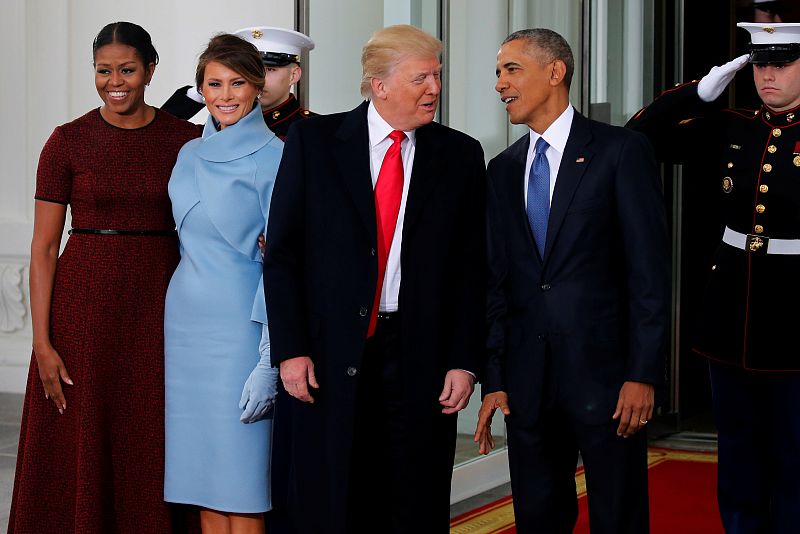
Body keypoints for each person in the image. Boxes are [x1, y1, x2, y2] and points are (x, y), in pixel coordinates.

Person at [262, 24, 486, 534]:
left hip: (419, 355)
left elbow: (472, 271)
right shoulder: (314, 142)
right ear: (378, 84)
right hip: (327, 353)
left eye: (437, 76)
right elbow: (283, 257)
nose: (434, 88)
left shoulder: (460, 155)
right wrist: (291, 350)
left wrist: (464, 362)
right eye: (421, 77)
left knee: (413, 497)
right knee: (333, 496)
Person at [7, 21, 200, 534]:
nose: (115, 81)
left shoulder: (187, 141)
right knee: (80, 433)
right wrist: (42, 343)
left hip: (161, 304)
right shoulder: (66, 142)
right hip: (82, 311)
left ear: (151, 70)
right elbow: (44, 247)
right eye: (104, 71)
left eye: (128, 70)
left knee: (150, 433)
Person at [474, 29, 670, 534]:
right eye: (498, 72)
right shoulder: (501, 169)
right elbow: (496, 285)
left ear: (555, 71)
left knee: (618, 515)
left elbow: (648, 273)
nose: (500, 84)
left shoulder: (621, 151)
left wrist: (643, 372)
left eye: (511, 69)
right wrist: (495, 378)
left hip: (609, 382)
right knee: (537, 518)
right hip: (528, 384)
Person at [626, 22, 800, 533]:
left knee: (793, 455)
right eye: (761, 64)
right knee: (740, 454)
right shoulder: (732, 126)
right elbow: (638, 139)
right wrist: (700, 93)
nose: (768, 75)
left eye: (782, 63)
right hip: (729, 318)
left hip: (794, 323)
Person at [163, 33, 282, 534]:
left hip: (241, 328)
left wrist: (268, 358)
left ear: (258, 88)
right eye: (214, 84)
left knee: (242, 481)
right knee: (201, 480)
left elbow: (284, 264)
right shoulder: (188, 152)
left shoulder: (276, 155)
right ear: (200, 89)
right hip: (186, 325)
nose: (226, 95)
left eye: (238, 83)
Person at [162, 26, 316, 140]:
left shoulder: (313, 129)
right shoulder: (221, 123)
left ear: (294, 75)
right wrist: (204, 88)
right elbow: (159, 131)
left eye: (269, 70)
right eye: (245, 73)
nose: (257, 79)